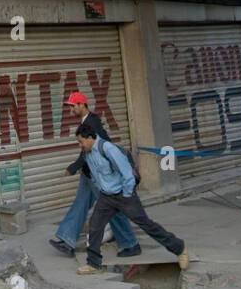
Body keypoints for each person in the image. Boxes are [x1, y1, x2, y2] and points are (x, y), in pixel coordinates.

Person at [74, 126, 190, 275]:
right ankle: (94, 264)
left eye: (81, 142)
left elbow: (127, 173)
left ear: (90, 138)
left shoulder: (108, 149)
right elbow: (96, 175)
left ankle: (180, 248)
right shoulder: (88, 154)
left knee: (147, 225)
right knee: (95, 226)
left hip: (123, 194)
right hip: (106, 197)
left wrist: (127, 195)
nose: (80, 145)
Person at [48, 93, 140, 258]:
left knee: (111, 208)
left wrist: (74, 167)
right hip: (89, 173)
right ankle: (67, 240)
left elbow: (100, 145)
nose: (72, 109)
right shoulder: (86, 122)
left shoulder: (92, 122)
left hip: (98, 175)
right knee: (80, 204)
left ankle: (130, 243)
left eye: (73, 106)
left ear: (82, 105)